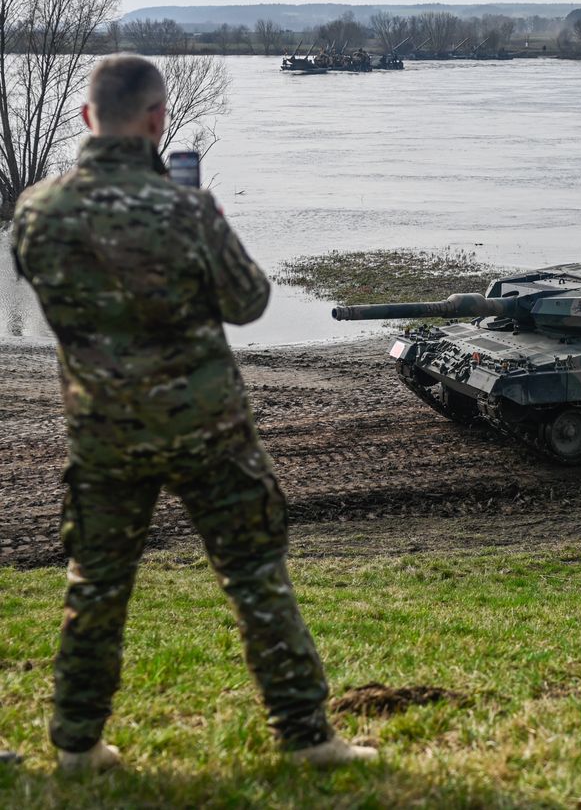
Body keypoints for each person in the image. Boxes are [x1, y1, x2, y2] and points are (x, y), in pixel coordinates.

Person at [10, 55, 375, 774]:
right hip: (207, 429)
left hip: (104, 430)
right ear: (157, 121)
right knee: (254, 575)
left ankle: (78, 745)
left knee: (96, 583)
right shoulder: (188, 211)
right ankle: (307, 738)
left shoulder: (37, 210)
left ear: (87, 118)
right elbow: (250, 303)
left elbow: (37, 279)